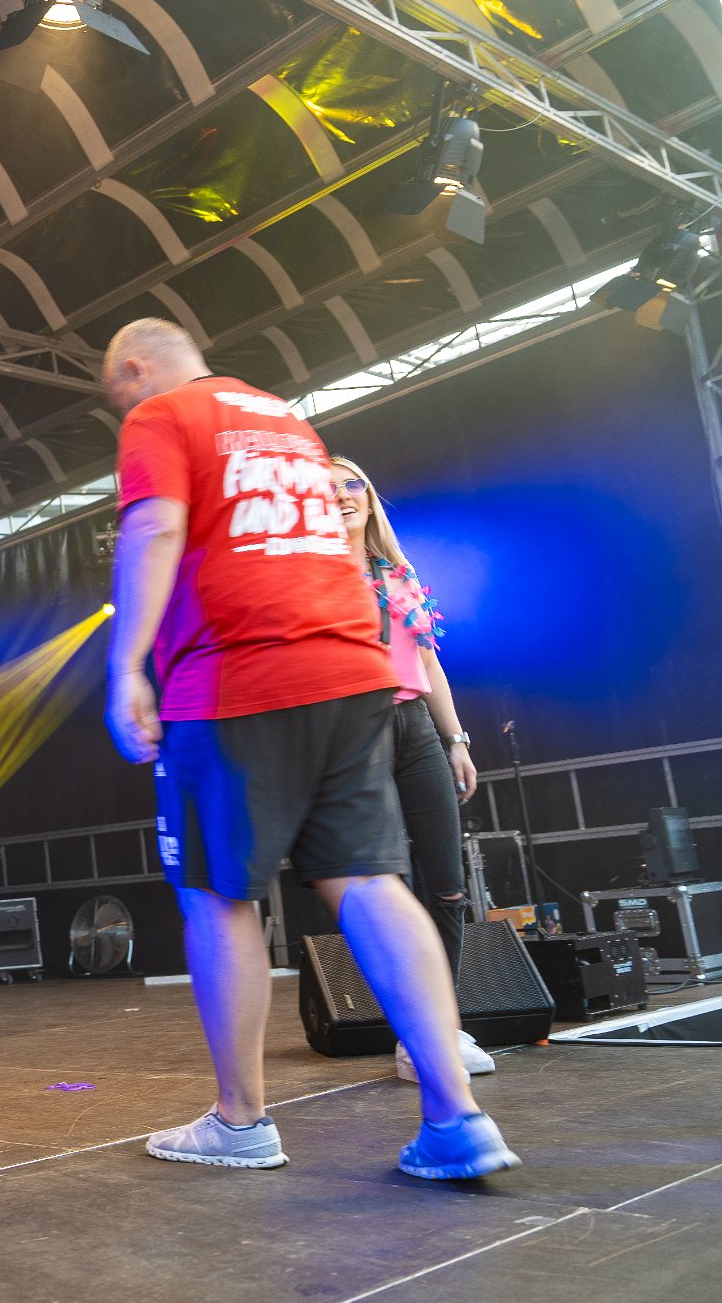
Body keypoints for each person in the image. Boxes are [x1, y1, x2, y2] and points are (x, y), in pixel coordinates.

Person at [101, 318, 516, 1180]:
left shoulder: (160, 417)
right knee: (370, 880)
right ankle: (456, 1116)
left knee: (219, 894)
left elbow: (155, 530)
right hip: (353, 671)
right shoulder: (284, 419)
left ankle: (242, 1120)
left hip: (236, 676)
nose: (120, 407)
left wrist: (126, 665)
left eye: (116, 391)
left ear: (136, 369)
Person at [329, 457, 495, 1085]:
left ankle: (441, 1027)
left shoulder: (396, 574)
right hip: (357, 730)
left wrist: (456, 740)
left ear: (370, 498)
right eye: (328, 488)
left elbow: (428, 665)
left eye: (353, 484)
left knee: (448, 883)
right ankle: (414, 1034)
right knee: (387, 888)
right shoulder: (310, 574)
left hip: (416, 729)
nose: (343, 495)